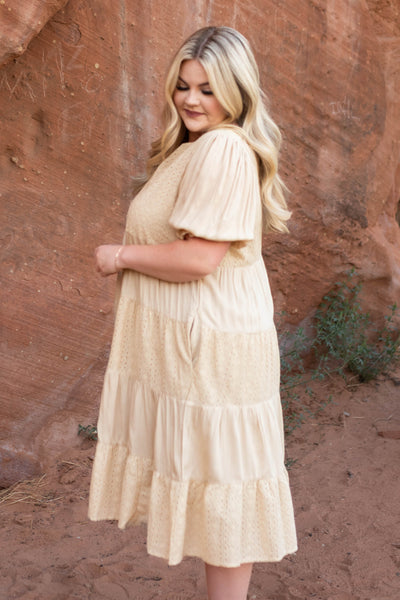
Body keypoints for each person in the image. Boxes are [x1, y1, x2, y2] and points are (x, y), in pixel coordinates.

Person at [88, 26, 297, 600]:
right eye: (183, 86)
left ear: (236, 90)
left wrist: (120, 256)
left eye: (207, 88)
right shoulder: (197, 147)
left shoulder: (225, 148)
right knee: (214, 487)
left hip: (214, 350)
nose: (191, 100)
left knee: (225, 489)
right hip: (202, 345)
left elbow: (201, 257)